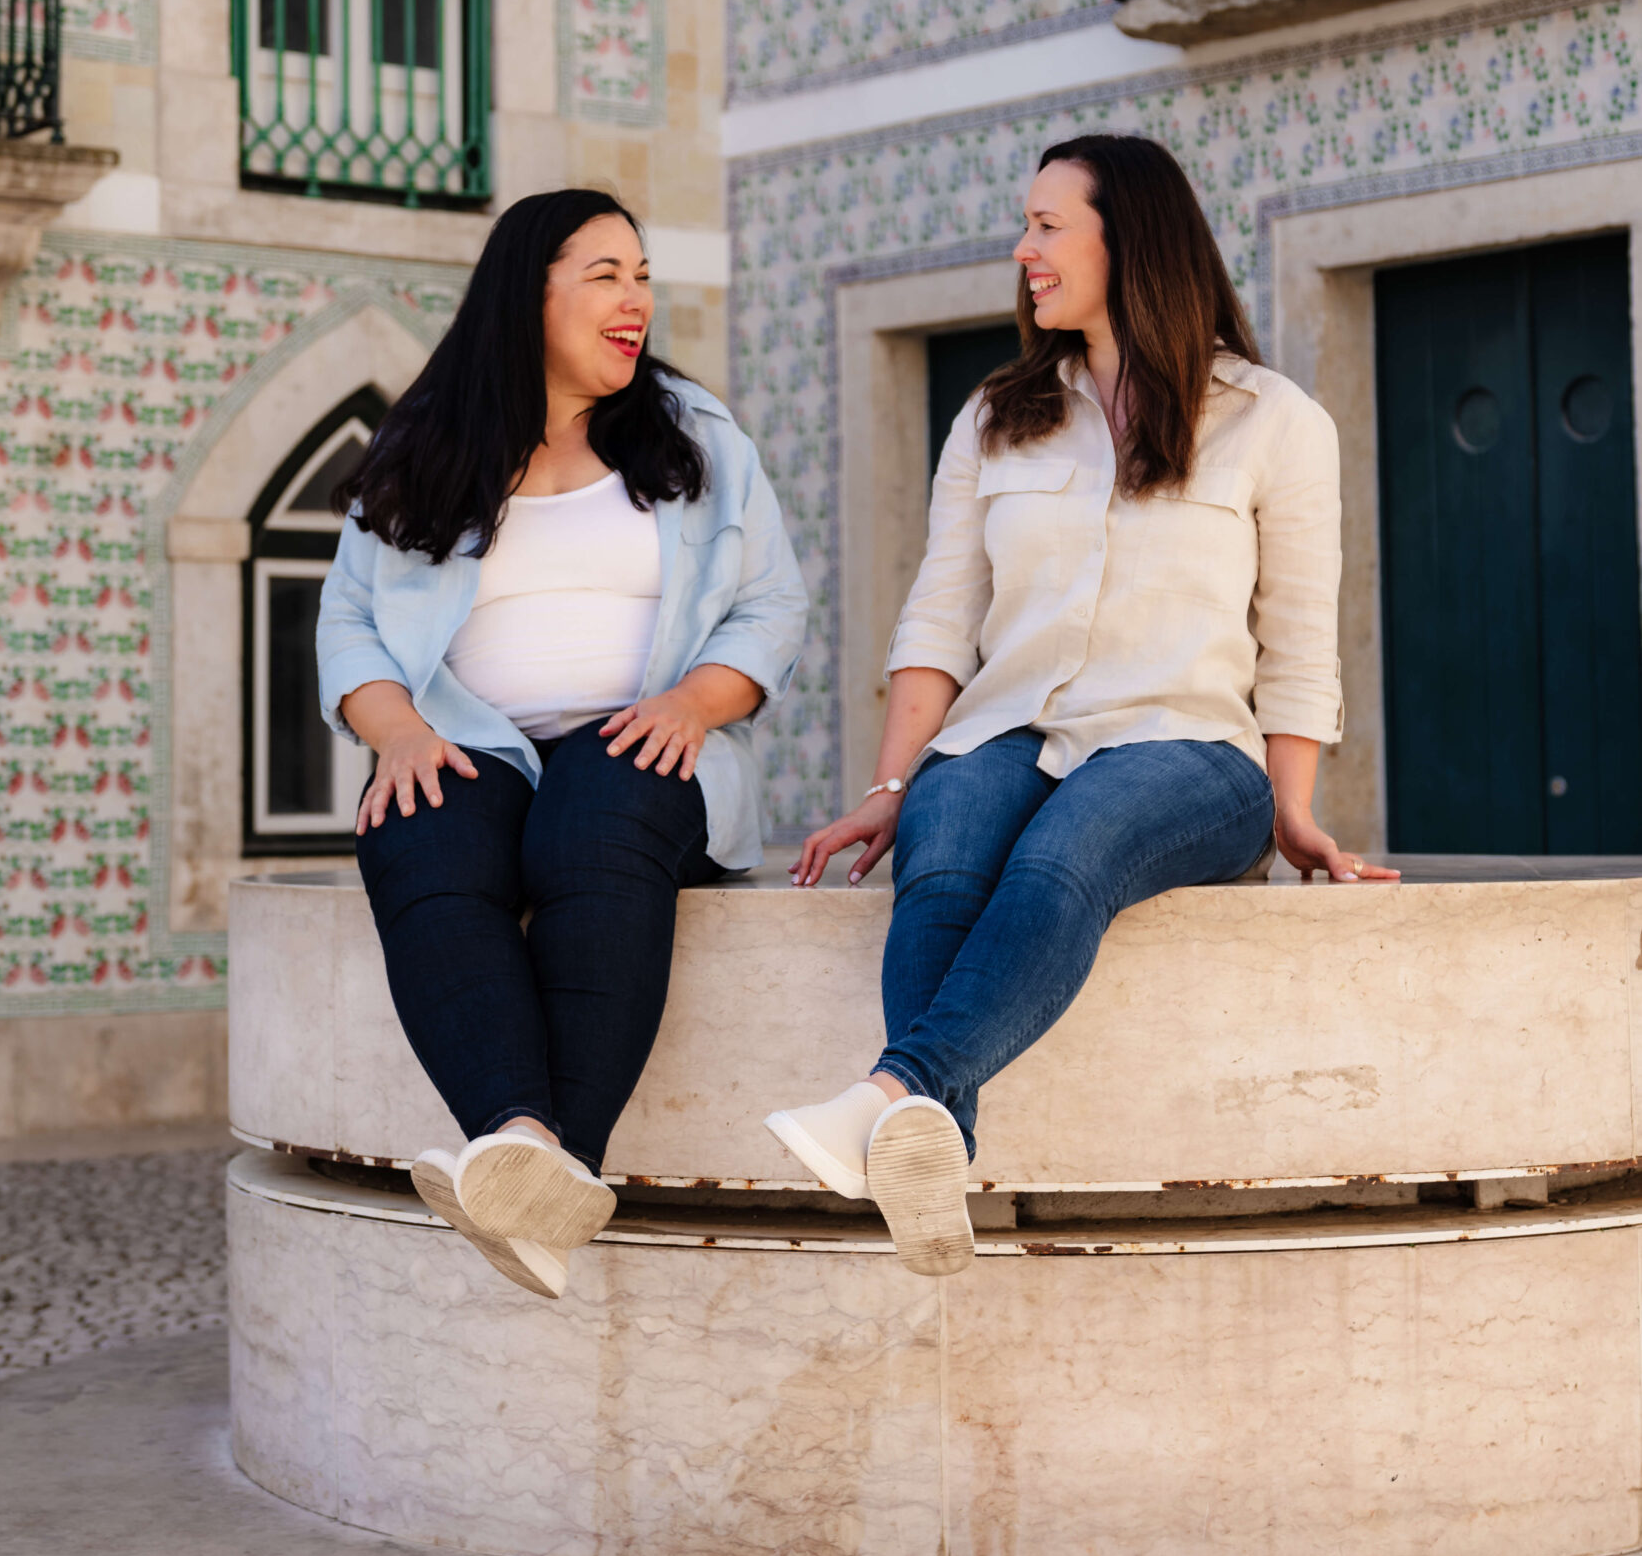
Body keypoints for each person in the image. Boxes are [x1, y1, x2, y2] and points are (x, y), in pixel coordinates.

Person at [766, 133, 1396, 1279]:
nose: (1023, 250)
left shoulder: (1273, 420)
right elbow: (936, 621)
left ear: (1130, 239)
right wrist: (887, 787)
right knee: (946, 856)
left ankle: (890, 1090)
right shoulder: (996, 415)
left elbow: (1299, 643)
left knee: (1067, 853)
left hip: (1189, 755)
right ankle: (926, 1155)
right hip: (1003, 732)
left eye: (1048, 226)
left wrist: (1296, 812)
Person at [318, 189, 806, 1302]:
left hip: (646, 732)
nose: (635, 298)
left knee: (595, 817)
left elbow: (772, 607)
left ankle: (552, 1165)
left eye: (641, 274)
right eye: (605, 274)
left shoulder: (697, 433)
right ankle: (527, 1144)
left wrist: (692, 703)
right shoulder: (425, 441)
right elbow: (347, 614)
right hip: (470, 737)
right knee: (419, 836)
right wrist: (391, 728)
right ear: (529, 292)